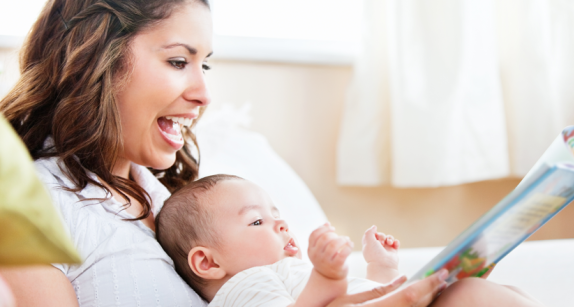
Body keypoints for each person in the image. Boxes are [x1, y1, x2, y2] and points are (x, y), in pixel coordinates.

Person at [0, 0, 450, 306]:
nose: (203, 94)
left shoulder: (175, 200)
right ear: (93, 59)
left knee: (465, 294)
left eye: (205, 64)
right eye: (178, 61)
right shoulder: (31, 206)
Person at [156, 174, 574, 307]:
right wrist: (328, 274)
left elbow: (357, 298)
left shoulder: (282, 271)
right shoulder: (245, 289)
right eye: (258, 223)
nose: (281, 226)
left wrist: (381, 268)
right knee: (470, 295)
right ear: (207, 261)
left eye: (278, 216)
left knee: (484, 292)